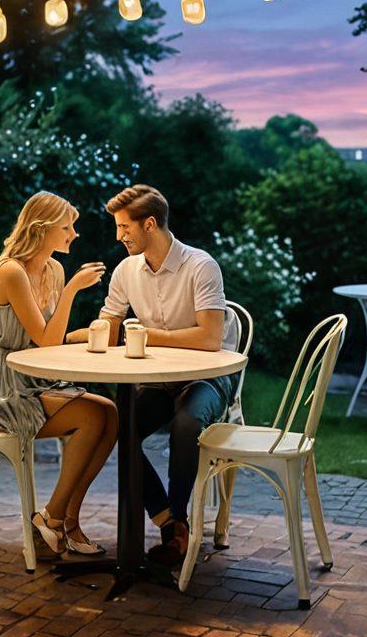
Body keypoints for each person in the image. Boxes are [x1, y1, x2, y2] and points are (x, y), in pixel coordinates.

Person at [67, 184, 239, 566]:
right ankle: (168, 520)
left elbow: (211, 338)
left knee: (186, 424)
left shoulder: (201, 265)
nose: (118, 236)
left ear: (149, 224)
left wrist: (144, 334)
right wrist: (69, 332)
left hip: (207, 380)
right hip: (159, 381)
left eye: (124, 227)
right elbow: (110, 326)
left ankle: (178, 520)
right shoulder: (127, 271)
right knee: (118, 425)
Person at [0, 191, 119, 559]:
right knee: (93, 417)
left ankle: (65, 520)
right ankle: (53, 519)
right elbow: (47, 340)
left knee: (110, 414)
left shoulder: (53, 268)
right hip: (2, 386)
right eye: (66, 227)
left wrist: (84, 331)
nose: (74, 234)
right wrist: (71, 292)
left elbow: (52, 337)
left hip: (33, 377)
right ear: (43, 228)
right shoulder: (12, 271)